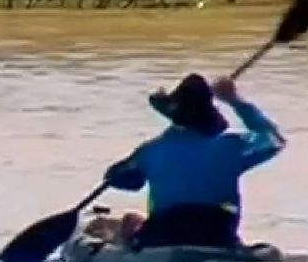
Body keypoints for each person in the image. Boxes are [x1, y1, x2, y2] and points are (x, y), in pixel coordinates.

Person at [102, 72, 285, 251]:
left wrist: (125, 170)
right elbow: (274, 140)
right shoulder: (233, 146)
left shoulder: (150, 150)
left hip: (163, 233)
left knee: (129, 221)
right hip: (218, 233)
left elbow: (118, 178)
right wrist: (234, 100)